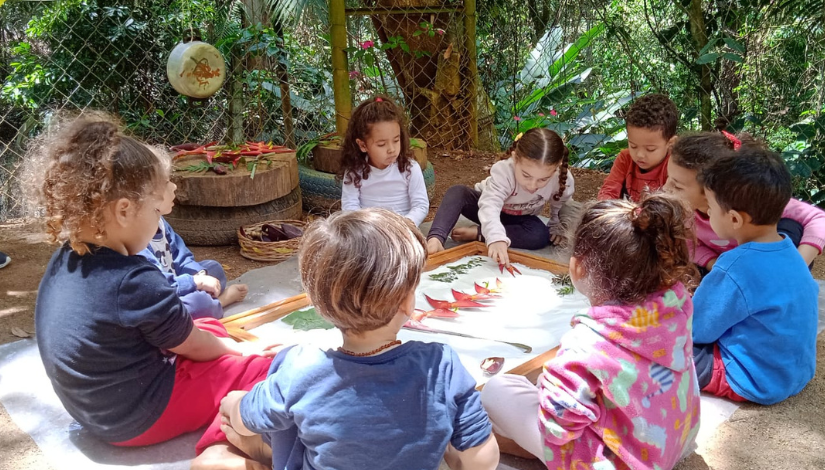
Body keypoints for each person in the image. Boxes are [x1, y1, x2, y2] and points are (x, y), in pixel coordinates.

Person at [32, 114, 275, 462]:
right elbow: (192, 344)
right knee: (264, 370)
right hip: (140, 417)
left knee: (207, 326)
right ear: (125, 211)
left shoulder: (64, 258)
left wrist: (214, 343)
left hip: (97, 413)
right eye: (155, 209)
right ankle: (224, 444)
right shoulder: (135, 279)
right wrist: (238, 354)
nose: (159, 218)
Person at [210, 209, 499, 470]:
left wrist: (234, 403)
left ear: (318, 304)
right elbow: (483, 460)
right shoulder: (441, 365)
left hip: (290, 427)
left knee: (221, 450)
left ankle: (267, 456)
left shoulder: (300, 368)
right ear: (407, 303)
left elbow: (244, 419)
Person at [481, 194, 701, 469]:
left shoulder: (587, 344)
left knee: (497, 388)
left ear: (577, 266)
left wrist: (550, 391)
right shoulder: (677, 301)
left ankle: (521, 448)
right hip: (674, 442)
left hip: (614, 462)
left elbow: (557, 429)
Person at [691, 148, 819, 404]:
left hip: (754, 379)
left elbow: (695, 330)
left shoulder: (734, 265)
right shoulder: (790, 250)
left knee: (666, 346)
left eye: (711, 208)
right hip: (795, 372)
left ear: (735, 218)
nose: (707, 214)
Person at [665, 132, 825, 275]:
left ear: (711, 189)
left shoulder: (755, 199)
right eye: (668, 178)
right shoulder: (683, 211)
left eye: (677, 185)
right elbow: (688, 244)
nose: (666, 188)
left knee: (790, 226)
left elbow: (819, 218)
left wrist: (799, 264)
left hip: (771, 265)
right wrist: (715, 265)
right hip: (727, 265)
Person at [426, 128, 574, 267]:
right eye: (526, 175)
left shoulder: (562, 178)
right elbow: (490, 205)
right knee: (457, 192)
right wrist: (495, 237)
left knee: (540, 235)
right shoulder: (503, 171)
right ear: (515, 158)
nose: (532, 185)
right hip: (484, 209)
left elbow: (560, 204)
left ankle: (479, 233)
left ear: (556, 168)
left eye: (543, 179)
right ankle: (435, 239)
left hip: (520, 218)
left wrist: (556, 226)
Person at [139, 170, 247, 319]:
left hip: (177, 283)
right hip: (161, 297)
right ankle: (219, 303)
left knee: (213, 268)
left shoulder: (160, 222)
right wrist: (194, 282)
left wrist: (198, 274)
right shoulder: (136, 241)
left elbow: (181, 256)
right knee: (198, 302)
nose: (174, 187)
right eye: (166, 183)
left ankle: (205, 298)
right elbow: (157, 287)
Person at [340, 96, 429, 227]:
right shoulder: (354, 172)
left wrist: (405, 225)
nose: (392, 149)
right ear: (363, 145)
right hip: (369, 231)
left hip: (403, 230)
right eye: (382, 144)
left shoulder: (410, 168)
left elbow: (420, 205)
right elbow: (349, 207)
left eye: (396, 140)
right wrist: (366, 228)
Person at [597, 94, 679, 201]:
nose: (639, 155)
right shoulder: (625, 159)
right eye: (633, 146)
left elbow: (674, 207)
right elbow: (608, 191)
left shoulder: (674, 167)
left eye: (650, 149)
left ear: (670, 143)